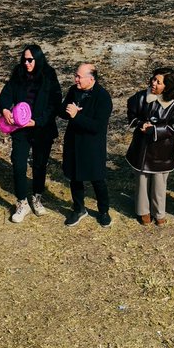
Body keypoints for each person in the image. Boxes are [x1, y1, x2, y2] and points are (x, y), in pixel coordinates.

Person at [0, 44, 62, 223]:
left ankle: (37, 196)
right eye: (24, 59)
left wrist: (38, 121)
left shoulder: (49, 75)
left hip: (42, 128)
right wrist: (4, 109)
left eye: (30, 60)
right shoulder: (18, 73)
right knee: (18, 164)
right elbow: (6, 95)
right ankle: (21, 202)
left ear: (38, 59)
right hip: (20, 128)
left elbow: (54, 103)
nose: (26, 63)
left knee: (39, 165)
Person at [125, 67, 174, 226]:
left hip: (161, 150)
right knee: (142, 180)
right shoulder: (141, 97)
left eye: (158, 82)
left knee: (159, 183)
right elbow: (131, 113)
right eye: (153, 79)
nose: (153, 83)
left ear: (168, 86)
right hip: (142, 147)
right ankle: (143, 211)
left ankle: (159, 212)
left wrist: (155, 130)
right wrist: (140, 124)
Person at [60, 62, 113, 227]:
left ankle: (103, 211)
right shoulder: (73, 90)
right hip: (74, 141)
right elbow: (63, 111)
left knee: (97, 179)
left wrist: (77, 116)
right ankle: (78, 208)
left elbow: (97, 126)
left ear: (91, 79)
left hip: (92, 145)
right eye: (75, 75)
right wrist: (67, 111)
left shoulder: (103, 97)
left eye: (79, 77)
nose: (75, 79)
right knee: (75, 177)